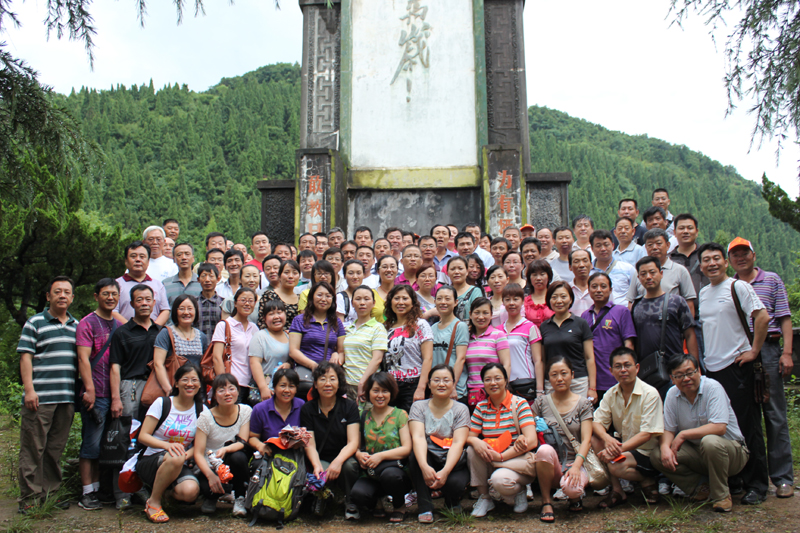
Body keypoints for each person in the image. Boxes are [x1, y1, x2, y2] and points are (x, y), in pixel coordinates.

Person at [697, 242, 770, 505]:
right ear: (701, 266)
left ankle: (757, 484)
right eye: (706, 260)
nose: (712, 263)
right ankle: (736, 478)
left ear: (725, 262)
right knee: (724, 426)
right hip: (713, 369)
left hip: (737, 365)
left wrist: (753, 351)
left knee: (748, 425)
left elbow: (762, 317)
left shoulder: (738, 287)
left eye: (716, 258)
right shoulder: (704, 292)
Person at [729, 237, 794, 497]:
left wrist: (786, 353)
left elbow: (784, 317)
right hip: (741, 352)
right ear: (729, 260)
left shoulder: (772, 280)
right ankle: (753, 477)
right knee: (747, 416)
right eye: (735, 255)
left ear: (753, 255)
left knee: (774, 414)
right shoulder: (731, 285)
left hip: (768, 349)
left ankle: (783, 478)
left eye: (745, 253)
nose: (741, 258)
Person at [652, 354, 749, 512]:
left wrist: (683, 434)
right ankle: (701, 487)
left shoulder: (713, 388)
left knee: (710, 442)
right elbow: (668, 429)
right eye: (679, 375)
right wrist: (664, 448)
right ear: (672, 378)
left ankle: (721, 496)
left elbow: (719, 427)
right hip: (699, 453)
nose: (686, 379)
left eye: (690, 372)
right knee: (657, 455)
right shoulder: (672, 394)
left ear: (699, 372)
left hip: (732, 452)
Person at [17, 276, 78, 514]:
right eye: (57, 291)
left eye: (67, 292)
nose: (62, 295)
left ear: (72, 297)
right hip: (40, 397)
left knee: (54, 449)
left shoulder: (77, 326)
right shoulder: (35, 323)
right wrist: (29, 390)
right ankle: (30, 497)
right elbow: (25, 357)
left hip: (66, 398)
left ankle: (51, 493)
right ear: (48, 296)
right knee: (33, 448)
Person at [109, 284, 163, 506]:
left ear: (154, 303)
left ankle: (144, 488)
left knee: (150, 438)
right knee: (127, 439)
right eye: (139, 300)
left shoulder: (161, 331)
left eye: (148, 299)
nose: (144, 303)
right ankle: (122, 492)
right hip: (130, 388)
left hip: (155, 390)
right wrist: (115, 398)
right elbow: (115, 367)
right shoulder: (122, 332)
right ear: (131, 304)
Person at [592, 347, 664, 508]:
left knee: (616, 466)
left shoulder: (650, 393)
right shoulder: (611, 394)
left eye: (627, 365)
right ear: (611, 371)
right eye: (618, 366)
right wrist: (607, 438)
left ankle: (647, 480)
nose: (623, 370)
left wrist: (616, 450)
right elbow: (596, 422)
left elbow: (646, 434)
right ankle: (618, 491)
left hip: (648, 453)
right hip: (625, 449)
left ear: (637, 368)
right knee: (595, 439)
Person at [136, 363, 208, 523]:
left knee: (190, 492)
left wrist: (183, 456)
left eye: (194, 380)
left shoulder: (202, 410)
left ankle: (165, 494)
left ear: (199, 385)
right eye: (185, 379)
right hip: (152, 460)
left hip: (178, 461)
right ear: (176, 383)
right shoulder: (162, 403)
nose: (190, 384)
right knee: (175, 457)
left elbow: (200, 445)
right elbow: (143, 436)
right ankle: (153, 502)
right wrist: (167, 446)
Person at [75, 278, 122, 511]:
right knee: (91, 445)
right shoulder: (87, 323)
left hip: (112, 394)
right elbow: (83, 358)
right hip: (94, 394)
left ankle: (99, 489)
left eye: (114, 294)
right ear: (96, 296)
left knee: (105, 446)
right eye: (105, 294)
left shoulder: (117, 324)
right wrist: (90, 389)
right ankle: (87, 492)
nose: (110, 298)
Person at [467, 363, 538, 517]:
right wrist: (476, 441)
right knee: (472, 450)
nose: (493, 383)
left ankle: (519, 490)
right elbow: (469, 436)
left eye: (497, 378)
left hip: (517, 460)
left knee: (499, 480)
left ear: (506, 381)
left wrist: (500, 457)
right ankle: (485, 497)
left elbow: (532, 441)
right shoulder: (481, 407)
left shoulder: (519, 404)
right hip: (493, 457)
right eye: (488, 379)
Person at [532, 356, 594, 521]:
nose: (559, 378)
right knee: (544, 450)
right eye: (554, 375)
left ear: (572, 375)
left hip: (576, 462)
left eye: (564, 373)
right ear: (548, 378)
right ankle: (546, 502)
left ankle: (574, 497)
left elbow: (586, 440)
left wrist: (576, 466)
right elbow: (529, 429)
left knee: (572, 489)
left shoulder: (583, 404)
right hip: (551, 463)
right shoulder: (541, 403)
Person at [408, 364, 471, 523]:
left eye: (446, 380)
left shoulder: (461, 409)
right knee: (415, 457)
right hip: (428, 456)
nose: (441, 384)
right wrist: (424, 466)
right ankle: (425, 507)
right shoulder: (418, 407)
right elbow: (418, 437)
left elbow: (458, 442)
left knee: (456, 484)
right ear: (429, 384)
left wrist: (446, 471)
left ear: (453, 384)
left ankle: (452, 502)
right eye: (436, 380)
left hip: (452, 460)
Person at [631, 256, 699, 396]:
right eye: (643, 274)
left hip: (675, 370)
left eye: (652, 272)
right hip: (646, 371)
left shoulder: (677, 302)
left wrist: (695, 367)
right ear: (638, 278)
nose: (648, 277)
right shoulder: (636, 306)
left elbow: (690, 334)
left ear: (661, 274)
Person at [301, 362, 361, 519]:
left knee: (349, 466)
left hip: (344, 456)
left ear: (339, 383)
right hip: (321, 457)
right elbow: (310, 444)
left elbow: (353, 442)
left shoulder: (349, 406)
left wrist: (338, 462)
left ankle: (351, 501)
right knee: (319, 472)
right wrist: (316, 465)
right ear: (315, 384)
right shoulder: (308, 409)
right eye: (322, 379)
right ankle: (322, 499)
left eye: (332, 379)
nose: (327, 383)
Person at [351, 372, 413, 522]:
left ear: (391, 393)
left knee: (391, 476)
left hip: (394, 470)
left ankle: (399, 506)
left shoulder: (400, 414)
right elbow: (356, 445)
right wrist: (358, 454)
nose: (380, 395)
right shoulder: (362, 415)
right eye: (376, 391)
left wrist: (381, 456)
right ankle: (377, 503)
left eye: (385, 391)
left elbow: (406, 448)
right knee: (358, 494)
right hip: (371, 471)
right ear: (368, 393)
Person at [194, 373, 252, 516]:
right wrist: (210, 475)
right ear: (214, 394)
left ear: (238, 391)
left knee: (238, 457)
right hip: (211, 465)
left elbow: (242, 441)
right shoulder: (205, 417)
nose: (227, 393)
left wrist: (225, 449)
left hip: (231, 461)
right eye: (221, 390)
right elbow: (198, 453)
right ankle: (213, 497)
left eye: (231, 388)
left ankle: (239, 497)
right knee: (209, 489)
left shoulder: (245, 411)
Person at [580, 273, 636, 398]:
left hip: (617, 378)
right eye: (594, 286)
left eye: (603, 286)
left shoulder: (621, 311)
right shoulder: (585, 315)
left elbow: (629, 344)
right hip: (594, 381)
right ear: (589, 290)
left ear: (610, 289)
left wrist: (628, 372)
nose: (599, 290)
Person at [289, 281, 346, 400]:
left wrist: (336, 357)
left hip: (329, 376)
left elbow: (341, 351)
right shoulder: (299, 320)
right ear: (311, 297)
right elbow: (293, 351)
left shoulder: (336, 322)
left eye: (328, 296)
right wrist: (314, 366)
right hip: (306, 375)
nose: (323, 299)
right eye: (319, 295)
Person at [539, 281, 596, 400]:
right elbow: (543, 359)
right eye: (554, 297)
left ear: (570, 300)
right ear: (549, 300)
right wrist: (541, 388)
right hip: (552, 381)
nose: (559, 301)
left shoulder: (581, 323)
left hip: (578, 381)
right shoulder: (544, 327)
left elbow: (589, 357)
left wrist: (592, 388)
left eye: (563, 296)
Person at [383, 285, 434, 411]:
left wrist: (421, 388)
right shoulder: (386, 327)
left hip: (413, 384)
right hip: (390, 385)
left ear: (412, 303)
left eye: (405, 298)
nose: (400, 302)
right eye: (396, 298)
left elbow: (428, 358)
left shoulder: (420, 324)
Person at [627, 229, 696, 316]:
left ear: (668, 245)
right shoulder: (639, 272)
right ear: (646, 248)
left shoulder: (680, 270)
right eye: (650, 245)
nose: (654, 247)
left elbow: (689, 303)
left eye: (659, 243)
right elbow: (631, 301)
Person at [152, 295, 209, 395]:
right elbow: (158, 364)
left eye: (190, 309)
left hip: (196, 391)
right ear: (175, 311)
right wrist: (168, 389)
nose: (186, 312)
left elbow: (205, 365)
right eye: (182, 309)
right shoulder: (166, 333)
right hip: (173, 388)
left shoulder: (202, 336)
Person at [212, 288, 259, 404]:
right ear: (235, 303)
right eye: (243, 300)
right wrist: (225, 386)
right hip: (232, 384)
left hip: (251, 386)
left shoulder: (254, 328)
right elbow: (217, 357)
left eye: (250, 301)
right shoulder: (224, 325)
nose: (247, 303)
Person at [343, 286, 389, 402]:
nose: (362, 303)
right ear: (352, 303)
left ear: (373, 303)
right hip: (347, 386)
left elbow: (377, 359)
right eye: (358, 299)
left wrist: (362, 383)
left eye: (366, 299)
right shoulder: (348, 329)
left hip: (367, 386)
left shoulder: (378, 328)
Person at [464, 297, 511, 406]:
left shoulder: (498, 335)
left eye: (485, 313)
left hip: (493, 389)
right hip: (472, 391)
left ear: (491, 315)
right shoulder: (466, 337)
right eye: (477, 313)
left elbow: (507, 364)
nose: (481, 317)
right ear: (470, 314)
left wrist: (504, 386)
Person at [248, 368, 304, 455]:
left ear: (296, 389)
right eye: (282, 385)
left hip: (295, 456)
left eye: (291, 386)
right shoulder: (260, 409)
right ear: (274, 387)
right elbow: (252, 437)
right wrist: (261, 446)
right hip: (270, 455)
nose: (287, 390)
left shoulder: (301, 405)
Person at [501, 284, 544, 398]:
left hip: (526, 383)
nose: (511, 303)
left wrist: (540, 390)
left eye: (516, 299)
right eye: (507, 299)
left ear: (522, 301)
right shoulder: (498, 330)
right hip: (504, 385)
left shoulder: (530, 327)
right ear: (503, 302)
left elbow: (538, 361)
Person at [114, 241, 170, 325]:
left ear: (148, 261)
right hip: (124, 331)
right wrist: (130, 329)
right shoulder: (116, 285)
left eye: (142, 256)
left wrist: (152, 329)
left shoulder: (158, 285)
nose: (138, 260)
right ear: (126, 261)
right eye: (133, 256)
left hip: (153, 331)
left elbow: (165, 310)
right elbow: (113, 311)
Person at [431, 286, 470, 402]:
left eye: (447, 299)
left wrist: (453, 386)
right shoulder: (432, 328)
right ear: (435, 302)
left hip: (455, 390)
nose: (443, 302)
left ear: (455, 302)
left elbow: (461, 358)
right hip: (437, 388)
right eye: (439, 299)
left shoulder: (460, 326)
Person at [248, 299, 291, 402]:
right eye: (271, 314)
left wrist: (289, 364)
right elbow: (255, 363)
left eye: (279, 312)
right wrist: (263, 388)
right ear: (264, 318)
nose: (276, 317)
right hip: (266, 389)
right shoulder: (260, 336)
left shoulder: (290, 336)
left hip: (285, 389)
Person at [591, 230, 635, 305]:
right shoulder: (588, 272)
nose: (603, 249)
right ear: (592, 248)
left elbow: (638, 293)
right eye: (598, 246)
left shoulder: (627, 269)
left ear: (613, 246)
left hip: (623, 311)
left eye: (606, 245)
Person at [258, 260, 301, 331]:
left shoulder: (301, 299)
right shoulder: (269, 295)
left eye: (295, 273)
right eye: (286, 272)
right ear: (279, 276)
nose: (290, 276)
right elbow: (262, 323)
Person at [164, 243, 202, 308]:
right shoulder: (165, 284)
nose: (184, 257)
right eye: (179, 255)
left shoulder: (202, 282)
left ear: (193, 258)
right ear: (174, 259)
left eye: (187, 254)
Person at [448, 255, 483, 321]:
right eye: (452, 269)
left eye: (460, 268)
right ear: (447, 272)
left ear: (467, 272)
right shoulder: (445, 292)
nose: (456, 272)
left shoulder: (475, 291)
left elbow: (478, 314)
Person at [524, 259, 556, 327]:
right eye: (534, 275)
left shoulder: (555, 299)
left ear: (548, 276)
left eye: (542, 274)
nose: (538, 278)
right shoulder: (524, 302)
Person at [197, 263, 224, 340]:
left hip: (218, 345)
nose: (207, 280)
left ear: (218, 279)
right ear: (198, 279)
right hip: (197, 345)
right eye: (203, 276)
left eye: (211, 276)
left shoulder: (223, 303)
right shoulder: (193, 304)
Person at [338, 259, 366, 327]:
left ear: (364, 275)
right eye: (351, 273)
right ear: (345, 275)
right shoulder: (340, 298)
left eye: (358, 273)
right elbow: (340, 327)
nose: (355, 277)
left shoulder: (369, 296)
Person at [568, 249, 593, 317]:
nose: (581, 265)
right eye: (576, 261)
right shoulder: (566, 290)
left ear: (591, 265)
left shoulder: (599, 289)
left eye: (585, 261)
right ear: (570, 267)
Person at [373, 254, 399, 319]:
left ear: (397, 270)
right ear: (378, 271)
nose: (389, 270)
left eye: (392, 267)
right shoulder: (371, 294)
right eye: (384, 267)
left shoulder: (403, 293)